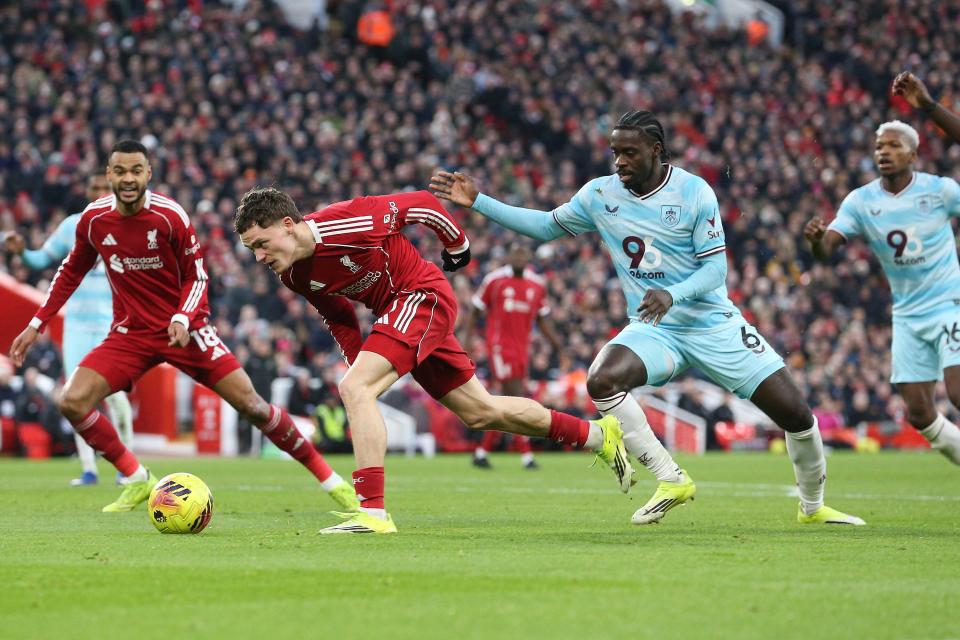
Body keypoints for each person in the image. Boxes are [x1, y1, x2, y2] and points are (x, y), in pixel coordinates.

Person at [431, 109, 864, 526]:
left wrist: (672, 294)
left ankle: (813, 507)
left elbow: (716, 270)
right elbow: (545, 225)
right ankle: (670, 479)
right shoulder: (600, 195)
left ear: (656, 150)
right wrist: (480, 202)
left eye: (630, 153)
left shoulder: (694, 192)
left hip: (713, 324)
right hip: (657, 329)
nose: (619, 162)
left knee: (797, 415)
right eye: (615, 152)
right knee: (601, 379)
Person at [234, 187, 632, 535]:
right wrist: (360, 361)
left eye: (262, 242)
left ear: (288, 223)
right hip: (400, 314)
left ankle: (371, 511)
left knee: (354, 389)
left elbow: (422, 204)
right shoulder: (293, 275)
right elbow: (337, 315)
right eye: (252, 249)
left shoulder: (348, 220)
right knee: (482, 412)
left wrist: (457, 246)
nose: (259, 256)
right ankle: (597, 435)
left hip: (420, 295)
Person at [9, 139, 358, 513]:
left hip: (187, 331)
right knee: (72, 401)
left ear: (149, 174)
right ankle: (136, 478)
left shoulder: (169, 216)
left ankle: (334, 484)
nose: (128, 179)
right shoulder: (94, 220)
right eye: (121, 171)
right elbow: (70, 271)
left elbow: (197, 276)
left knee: (254, 406)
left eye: (136, 171)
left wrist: (181, 317)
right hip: (130, 334)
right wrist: (36, 324)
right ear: (109, 175)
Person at [805, 96, 960, 465]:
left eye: (894, 145)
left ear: (913, 155)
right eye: (879, 146)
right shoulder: (860, 201)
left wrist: (929, 105)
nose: (884, 152)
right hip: (907, 315)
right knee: (920, 414)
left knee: (957, 394)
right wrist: (815, 241)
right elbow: (827, 250)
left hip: (949, 305)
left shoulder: (939, 191)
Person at [3, 174, 135, 486]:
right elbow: (40, 260)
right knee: (74, 396)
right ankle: (89, 469)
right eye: (95, 188)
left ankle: (126, 467)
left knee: (115, 397)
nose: (101, 193)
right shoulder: (73, 226)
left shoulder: (129, 225)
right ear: (87, 191)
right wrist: (22, 252)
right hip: (76, 326)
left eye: (106, 188)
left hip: (110, 325)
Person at [462, 242, 562, 470]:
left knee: (507, 401)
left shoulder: (536, 285)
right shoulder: (494, 280)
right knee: (516, 397)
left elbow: (542, 319)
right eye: (515, 254)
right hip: (499, 347)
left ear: (528, 259)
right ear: (508, 256)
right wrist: (467, 342)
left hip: (521, 350)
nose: (518, 258)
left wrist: (557, 345)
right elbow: (475, 312)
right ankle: (526, 456)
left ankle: (482, 452)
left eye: (522, 254)